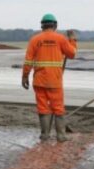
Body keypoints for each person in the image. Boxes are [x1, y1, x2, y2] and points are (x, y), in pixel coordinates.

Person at [22, 14, 77, 142]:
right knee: (58, 108)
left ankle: (45, 134)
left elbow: (28, 60)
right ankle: (61, 135)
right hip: (55, 81)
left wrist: (25, 76)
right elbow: (72, 54)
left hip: (39, 80)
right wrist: (73, 40)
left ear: (42, 25)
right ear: (55, 25)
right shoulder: (61, 39)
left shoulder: (35, 39)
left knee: (42, 108)